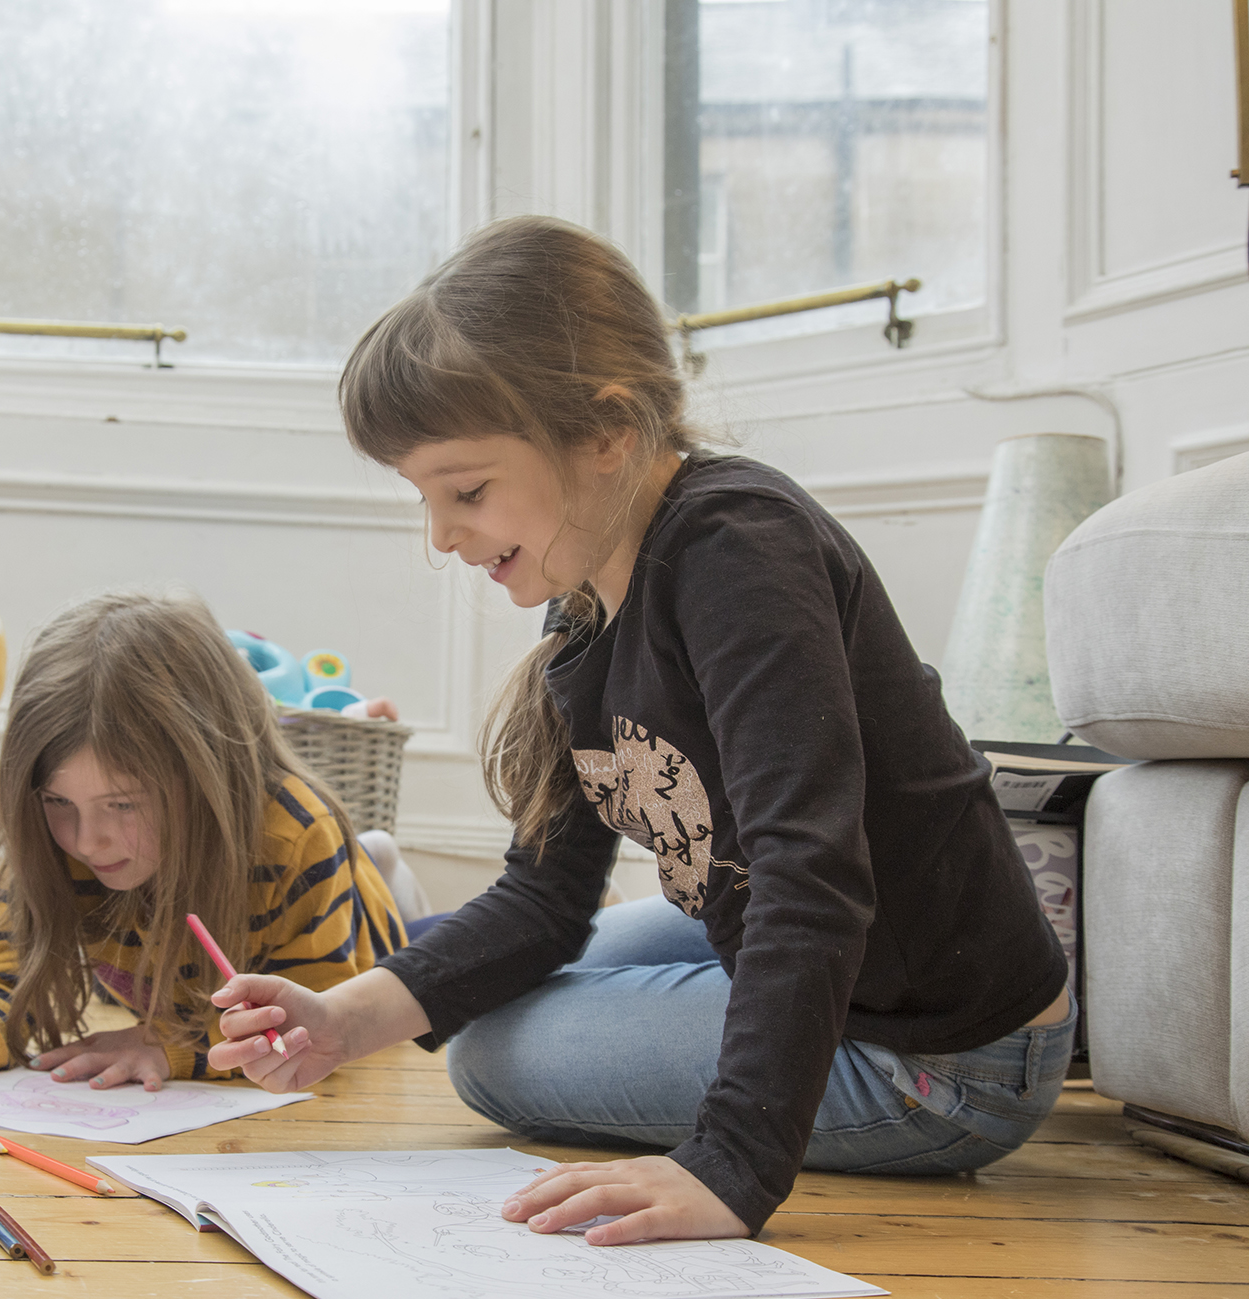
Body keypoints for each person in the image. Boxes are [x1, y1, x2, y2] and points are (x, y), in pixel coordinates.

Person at [205, 215, 1075, 1247]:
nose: (439, 536)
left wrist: (730, 1165)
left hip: (947, 1057)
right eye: (423, 498)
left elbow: (811, 871)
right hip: (826, 960)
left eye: (466, 491)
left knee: (486, 1053)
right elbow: (543, 896)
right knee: (493, 980)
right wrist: (338, 1022)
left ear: (606, 432)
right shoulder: (579, 601)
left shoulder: (735, 552)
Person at [0, 588, 408, 1091]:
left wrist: (169, 1047)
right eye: (58, 801)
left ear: (207, 778)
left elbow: (310, 1029)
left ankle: (382, 868)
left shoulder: (295, 834)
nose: (88, 843)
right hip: (183, 988)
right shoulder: (50, 837)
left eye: (123, 804)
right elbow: (8, 975)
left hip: (370, 938)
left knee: (421, 931)